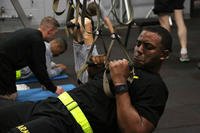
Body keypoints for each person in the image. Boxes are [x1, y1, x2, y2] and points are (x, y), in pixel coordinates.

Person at [0, 25, 172, 133]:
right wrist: (94, 71)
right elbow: (93, 93)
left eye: (148, 47)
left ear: (164, 55)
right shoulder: (124, 65)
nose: (139, 50)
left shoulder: (154, 85)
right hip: (53, 105)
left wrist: (119, 82)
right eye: (138, 43)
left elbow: (135, 130)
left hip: (69, 123)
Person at [0, 16, 64, 102]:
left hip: (7, 64)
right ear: (49, 31)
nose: (54, 37)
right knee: (12, 96)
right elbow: (39, 68)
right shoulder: (37, 42)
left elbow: (33, 64)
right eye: (54, 34)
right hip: (3, 65)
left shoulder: (30, 33)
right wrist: (54, 89)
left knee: (13, 92)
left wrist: (44, 82)